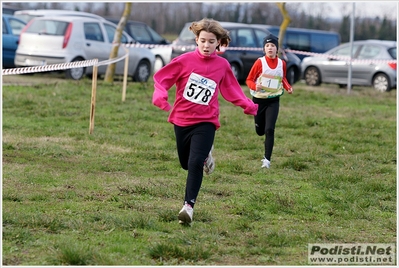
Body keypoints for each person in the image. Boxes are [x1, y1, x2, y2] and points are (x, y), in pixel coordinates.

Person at [152, 18, 258, 225]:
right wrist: (160, 95)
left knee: (194, 163)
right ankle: (206, 155)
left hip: (206, 121)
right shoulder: (183, 61)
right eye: (203, 41)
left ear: (219, 42)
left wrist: (249, 105)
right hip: (182, 120)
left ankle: (188, 207)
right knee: (185, 163)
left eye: (211, 41)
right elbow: (162, 79)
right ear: (196, 40)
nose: (207, 46)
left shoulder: (222, 65)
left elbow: (232, 90)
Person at [246, 33, 293, 169]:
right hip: (259, 100)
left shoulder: (282, 63)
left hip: (274, 100)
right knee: (260, 131)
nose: (270, 48)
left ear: (276, 49)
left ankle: (267, 160)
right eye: (267, 46)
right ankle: (258, 128)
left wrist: (288, 87)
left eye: (272, 45)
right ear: (264, 49)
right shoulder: (259, 62)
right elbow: (249, 80)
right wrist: (256, 86)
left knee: (270, 129)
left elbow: (282, 78)